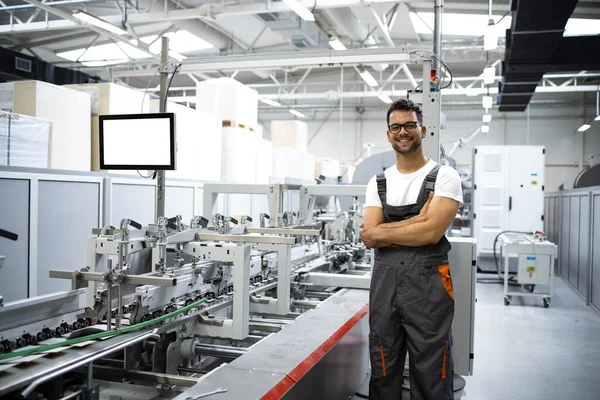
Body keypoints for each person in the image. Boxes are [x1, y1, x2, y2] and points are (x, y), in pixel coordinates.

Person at [360, 98, 463, 400]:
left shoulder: (445, 176)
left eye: (409, 125)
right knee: (383, 363)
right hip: (385, 285)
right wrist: (416, 222)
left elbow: (431, 232)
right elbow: (369, 236)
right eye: (396, 127)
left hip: (428, 286)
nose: (402, 132)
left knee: (431, 367)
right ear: (388, 133)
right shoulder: (377, 182)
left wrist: (387, 232)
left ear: (423, 129)